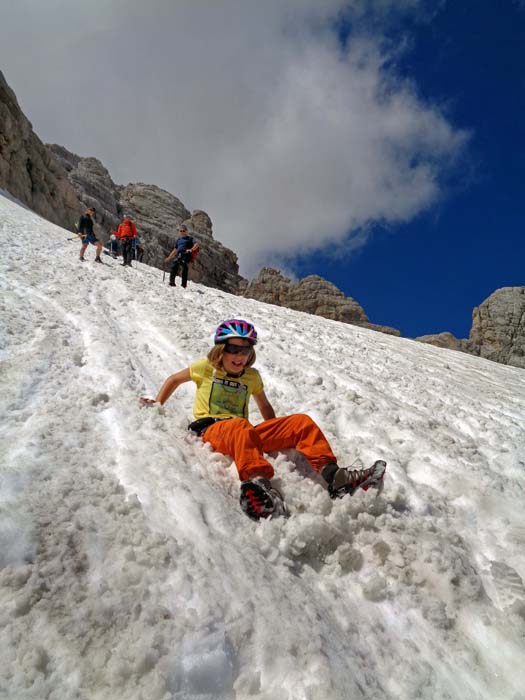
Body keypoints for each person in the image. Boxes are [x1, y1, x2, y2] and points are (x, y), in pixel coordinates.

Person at [140, 319, 386, 520]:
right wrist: (157, 402)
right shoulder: (206, 367)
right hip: (212, 430)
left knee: (301, 422)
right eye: (233, 349)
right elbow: (174, 379)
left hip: (244, 432)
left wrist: (277, 432)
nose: (239, 355)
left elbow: (265, 405)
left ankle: (335, 477)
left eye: (245, 350)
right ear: (220, 350)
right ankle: (256, 483)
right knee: (240, 425)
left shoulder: (252, 377)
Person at [165, 224, 198, 288]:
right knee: (174, 265)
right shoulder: (179, 240)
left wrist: (191, 249)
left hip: (186, 254)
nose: (182, 232)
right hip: (179, 255)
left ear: (186, 231)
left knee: (183, 265)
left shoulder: (190, 238)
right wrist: (169, 258)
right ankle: (172, 282)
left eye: (183, 230)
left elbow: (196, 245)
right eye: (181, 231)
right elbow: (175, 250)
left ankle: (183, 285)